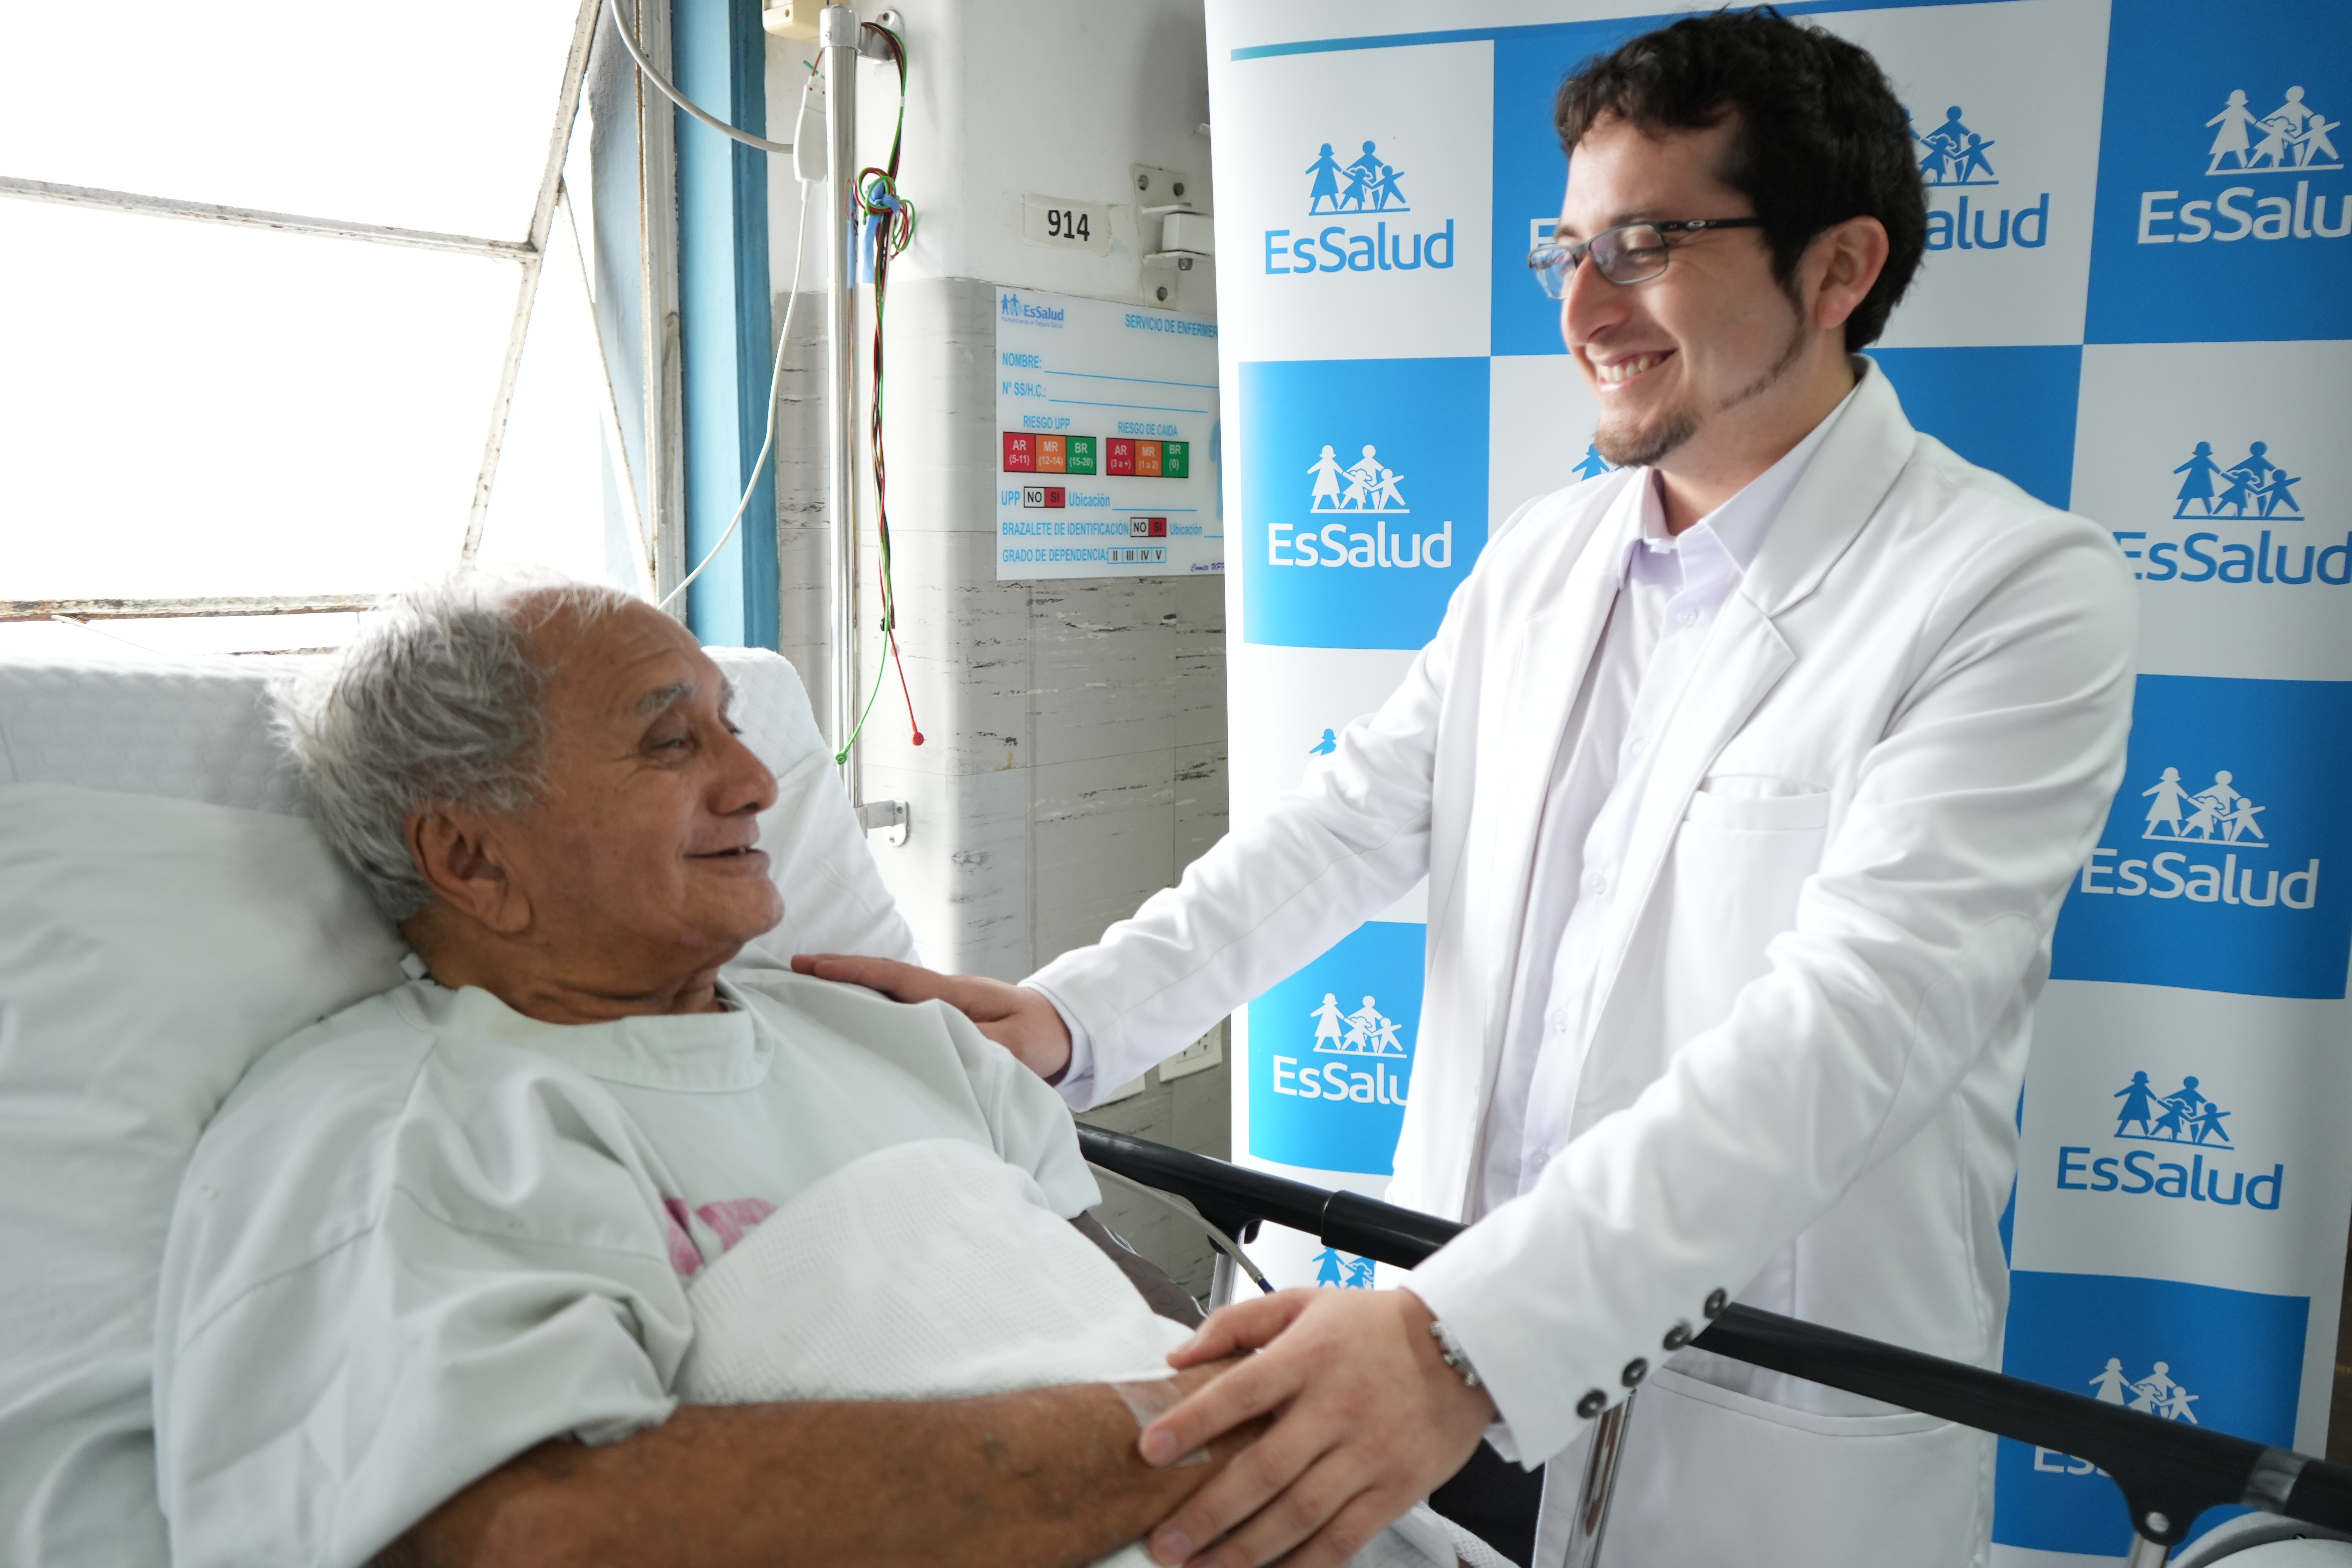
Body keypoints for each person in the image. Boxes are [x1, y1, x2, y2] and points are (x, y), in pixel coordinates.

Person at [803, 11, 2134, 1568]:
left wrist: (1465, 1342)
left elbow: (1857, 1024)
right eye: (1566, 249)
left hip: (1721, 1428)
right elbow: (1345, 826)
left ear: (1839, 269)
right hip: (1449, 1365)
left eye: (1645, 245)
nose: (1583, 305)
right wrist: (1070, 1019)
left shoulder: (2008, 590)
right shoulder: (1544, 558)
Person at [151, 579, 1332, 1568]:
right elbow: (533, 1534)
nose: (760, 782)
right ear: (470, 855)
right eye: (673, 743)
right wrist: (1201, 1437)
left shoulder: (901, 1040)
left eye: (733, 725)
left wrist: (1308, 1399)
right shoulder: (395, 1126)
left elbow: (1134, 1325)